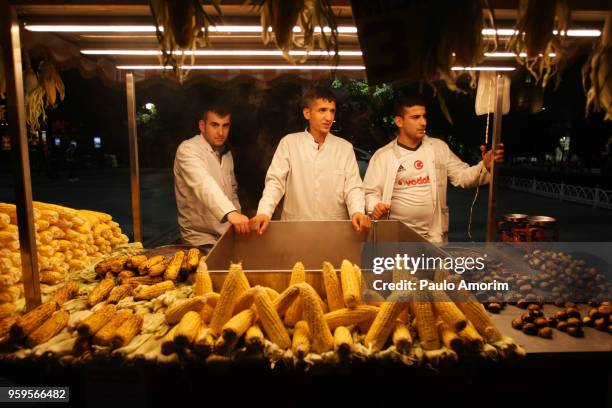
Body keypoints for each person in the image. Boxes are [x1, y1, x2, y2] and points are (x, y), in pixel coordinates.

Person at [363, 95, 504, 243]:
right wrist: (375, 205)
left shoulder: (438, 148)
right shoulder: (383, 156)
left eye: (424, 116)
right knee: (398, 267)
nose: (423, 122)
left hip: (433, 235)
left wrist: (485, 167)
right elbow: (370, 192)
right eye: (415, 117)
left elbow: (461, 176)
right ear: (399, 121)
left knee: (433, 266)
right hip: (396, 236)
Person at [251, 86, 371, 235]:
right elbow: (275, 182)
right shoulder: (289, 143)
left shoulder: (344, 148)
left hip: (335, 230)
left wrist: (357, 212)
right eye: (322, 110)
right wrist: (264, 212)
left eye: (332, 111)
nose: (329, 117)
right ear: (307, 113)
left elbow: (353, 187)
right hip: (295, 229)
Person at [173, 102, 250, 248]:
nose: (221, 132)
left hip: (226, 233)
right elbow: (203, 183)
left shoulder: (226, 154)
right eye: (215, 125)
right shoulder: (188, 149)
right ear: (202, 126)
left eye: (225, 126)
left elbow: (232, 191)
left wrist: (237, 218)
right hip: (199, 238)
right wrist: (231, 213)